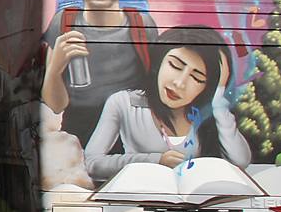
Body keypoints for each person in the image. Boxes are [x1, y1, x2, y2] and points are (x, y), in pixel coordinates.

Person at [84, 26, 251, 183]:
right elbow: (92, 163)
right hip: (141, 199)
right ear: (159, 62)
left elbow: (241, 161)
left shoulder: (207, 114)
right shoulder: (124, 103)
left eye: (198, 78)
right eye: (175, 65)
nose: (180, 83)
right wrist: (155, 161)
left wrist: (219, 103)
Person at [41, 0, 158, 147]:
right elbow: (55, 105)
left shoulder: (142, 24)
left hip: (132, 136)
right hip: (78, 134)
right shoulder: (64, 22)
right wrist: (55, 69)